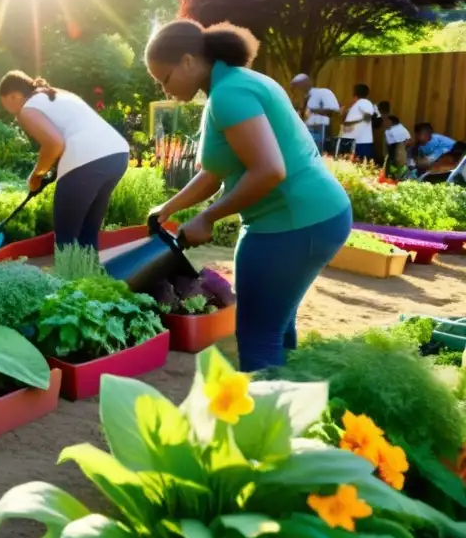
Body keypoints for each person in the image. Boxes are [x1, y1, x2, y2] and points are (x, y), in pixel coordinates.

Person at [143, 20, 351, 372]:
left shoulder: (230, 94)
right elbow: (214, 173)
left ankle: (266, 423)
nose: (165, 89)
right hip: (313, 216)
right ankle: (289, 411)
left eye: (164, 78)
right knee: (276, 329)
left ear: (189, 61)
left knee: (258, 338)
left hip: (292, 223)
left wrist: (207, 218)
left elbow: (270, 170)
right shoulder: (236, 84)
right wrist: (170, 207)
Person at [0, 70, 129, 251]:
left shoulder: (28, 109)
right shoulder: (57, 94)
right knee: (87, 234)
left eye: (6, 105)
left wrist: (37, 175)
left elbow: (55, 144)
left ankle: (67, 278)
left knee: (66, 240)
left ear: (13, 96)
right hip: (117, 155)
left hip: (87, 159)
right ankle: (92, 278)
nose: (11, 112)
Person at [289, 73, 340, 153]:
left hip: (320, 129)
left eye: (297, 86)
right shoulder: (305, 98)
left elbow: (333, 111)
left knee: (318, 153)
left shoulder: (323, 92)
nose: (296, 90)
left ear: (305, 83)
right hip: (306, 130)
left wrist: (312, 110)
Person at [337, 84, 378, 160]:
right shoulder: (356, 105)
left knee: (360, 165)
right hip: (352, 140)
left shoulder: (364, 102)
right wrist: (343, 115)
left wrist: (350, 122)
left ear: (354, 92)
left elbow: (368, 117)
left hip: (360, 141)